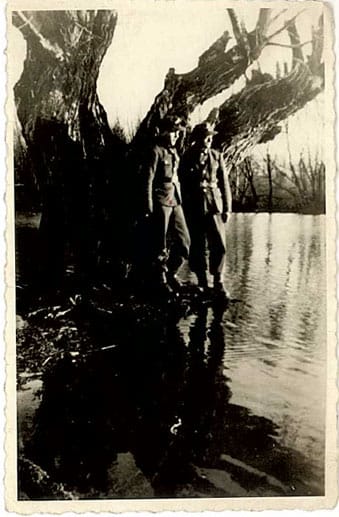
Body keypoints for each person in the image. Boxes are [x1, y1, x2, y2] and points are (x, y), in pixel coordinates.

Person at [180, 122, 232, 296]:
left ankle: (218, 281)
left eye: (210, 136)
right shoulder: (187, 156)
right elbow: (183, 183)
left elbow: (224, 184)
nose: (208, 139)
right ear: (197, 138)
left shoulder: (217, 156)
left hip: (213, 205)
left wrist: (227, 208)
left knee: (219, 243)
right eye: (205, 136)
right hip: (194, 205)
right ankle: (202, 280)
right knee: (197, 244)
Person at [145, 116, 190, 293]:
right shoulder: (155, 151)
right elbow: (147, 179)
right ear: (163, 131)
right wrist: (148, 204)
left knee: (184, 240)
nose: (175, 136)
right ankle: (160, 279)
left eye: (177, 133)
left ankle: (172, 272)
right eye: (172, 132)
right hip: (160, 200)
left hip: (175, 199)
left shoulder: (173, 152)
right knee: (159, 243)